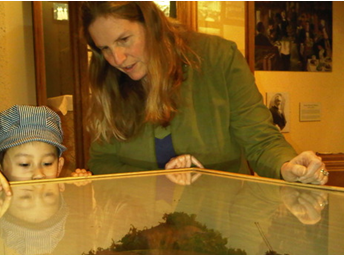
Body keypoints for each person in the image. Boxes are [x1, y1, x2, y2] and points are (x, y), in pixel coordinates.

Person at [80, 1, 328, 185]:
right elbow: (102, 163)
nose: (118, 59)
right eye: (105, 48)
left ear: (151, 25)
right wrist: (161, 179)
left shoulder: (218, 57)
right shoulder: (107, 76)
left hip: (225, 223)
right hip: (140, 224)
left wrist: (285, 165)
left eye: (124, 39)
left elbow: (260, 139)